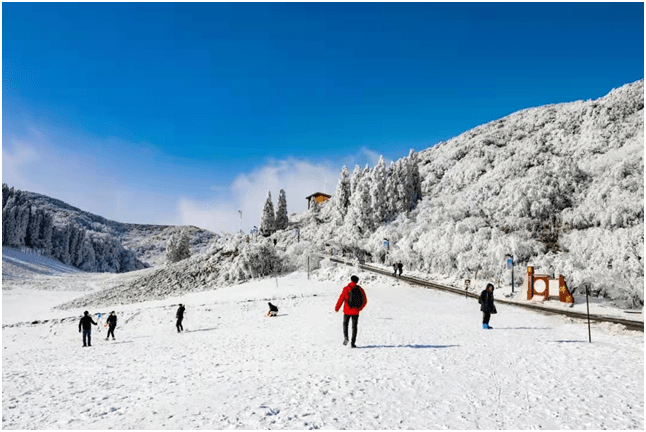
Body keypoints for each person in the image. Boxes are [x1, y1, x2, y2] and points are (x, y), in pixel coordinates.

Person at [335, 275, 368, 348]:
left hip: (347, 311)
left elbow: (341, 299)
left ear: (351, 280)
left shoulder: (346, 289)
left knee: (345, 324)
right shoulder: (360, 289)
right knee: (354, 327)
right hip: (356, 311)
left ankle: (346, 337)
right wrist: (359, 308)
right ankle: (353, 343)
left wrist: (337, 308)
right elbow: (365, 300)